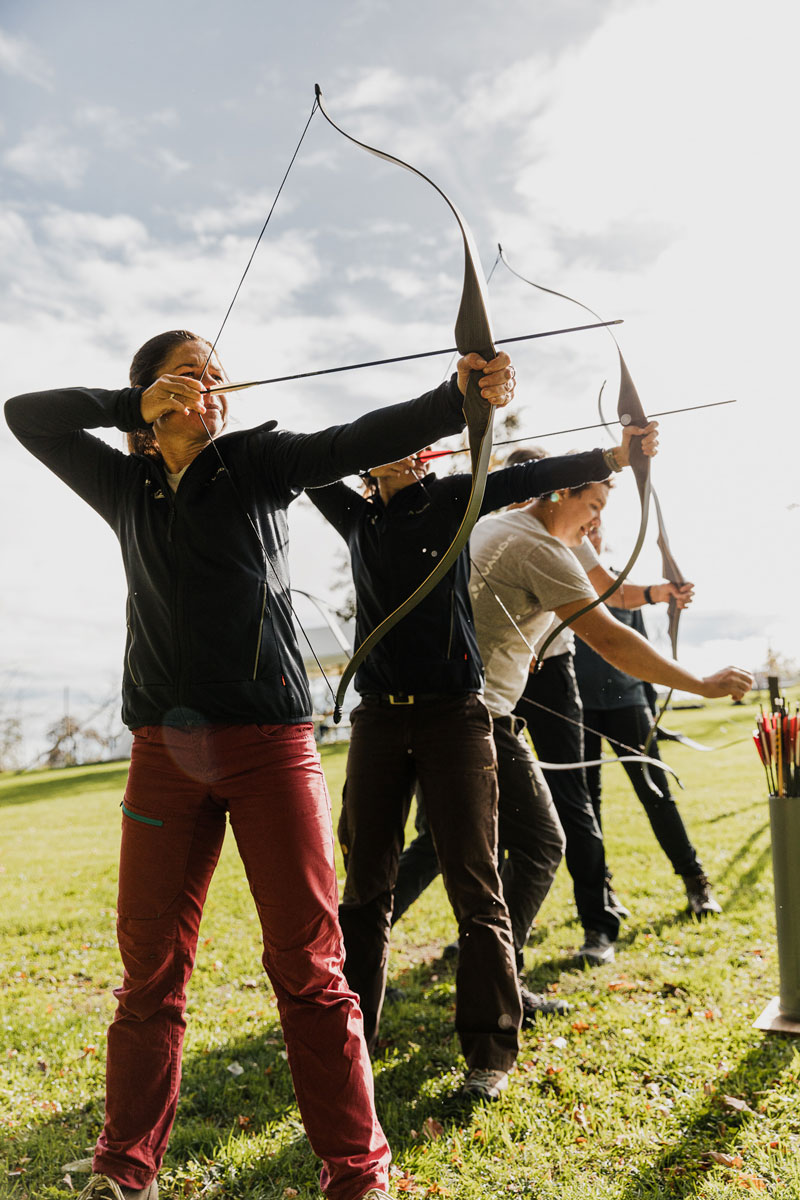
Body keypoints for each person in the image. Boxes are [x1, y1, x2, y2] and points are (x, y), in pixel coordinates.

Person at [4, 329, 515, 1200]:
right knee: (149, 973)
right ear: (153, 396)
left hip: (270, 749)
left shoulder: (254, 464)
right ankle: (126, 1167)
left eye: (218, 377)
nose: (212, 387)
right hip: (162, 752)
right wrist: (130, 409)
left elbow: (349, 442)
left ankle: (357, 1172)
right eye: (190, 375)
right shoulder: (123, 482)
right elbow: (25, 415)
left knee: (310, 970)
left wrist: (455, 401)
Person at [311, 431, 652, 1082]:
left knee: (478, 889)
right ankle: (347, 1054)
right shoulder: (357, 516)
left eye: (418, 445)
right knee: (364, 894)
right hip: (380, 718)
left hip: (456, 717)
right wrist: (366, 456)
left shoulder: (453, 504)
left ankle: (488, 1058)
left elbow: (528, 479)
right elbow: (303, 465)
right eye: (401, 447)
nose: (414, 453)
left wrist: (613, 458)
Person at [469, 471, 753, 969]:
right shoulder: (535, 542)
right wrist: (703, 684)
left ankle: (678, 884)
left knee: (640, 795)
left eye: (604, 510)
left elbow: (616, 598)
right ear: (556, 494)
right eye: (594, 505)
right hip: (506, 698)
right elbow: (612, 638)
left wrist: (660, 593)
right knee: (558, 822)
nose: (598, 521)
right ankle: (509, 950)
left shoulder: (550, 539)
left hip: (582, 697)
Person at [573, 523, 722, 917]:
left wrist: (649, 704)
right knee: (587, 805)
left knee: (656, 793)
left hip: (627, 703)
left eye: (595, 527)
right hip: (576, 706)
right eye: (584, 526)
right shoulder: (556, 573)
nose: (591, 533)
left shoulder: (620, 586)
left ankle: (696, 882)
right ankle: (602, 892)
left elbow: (636, 649)